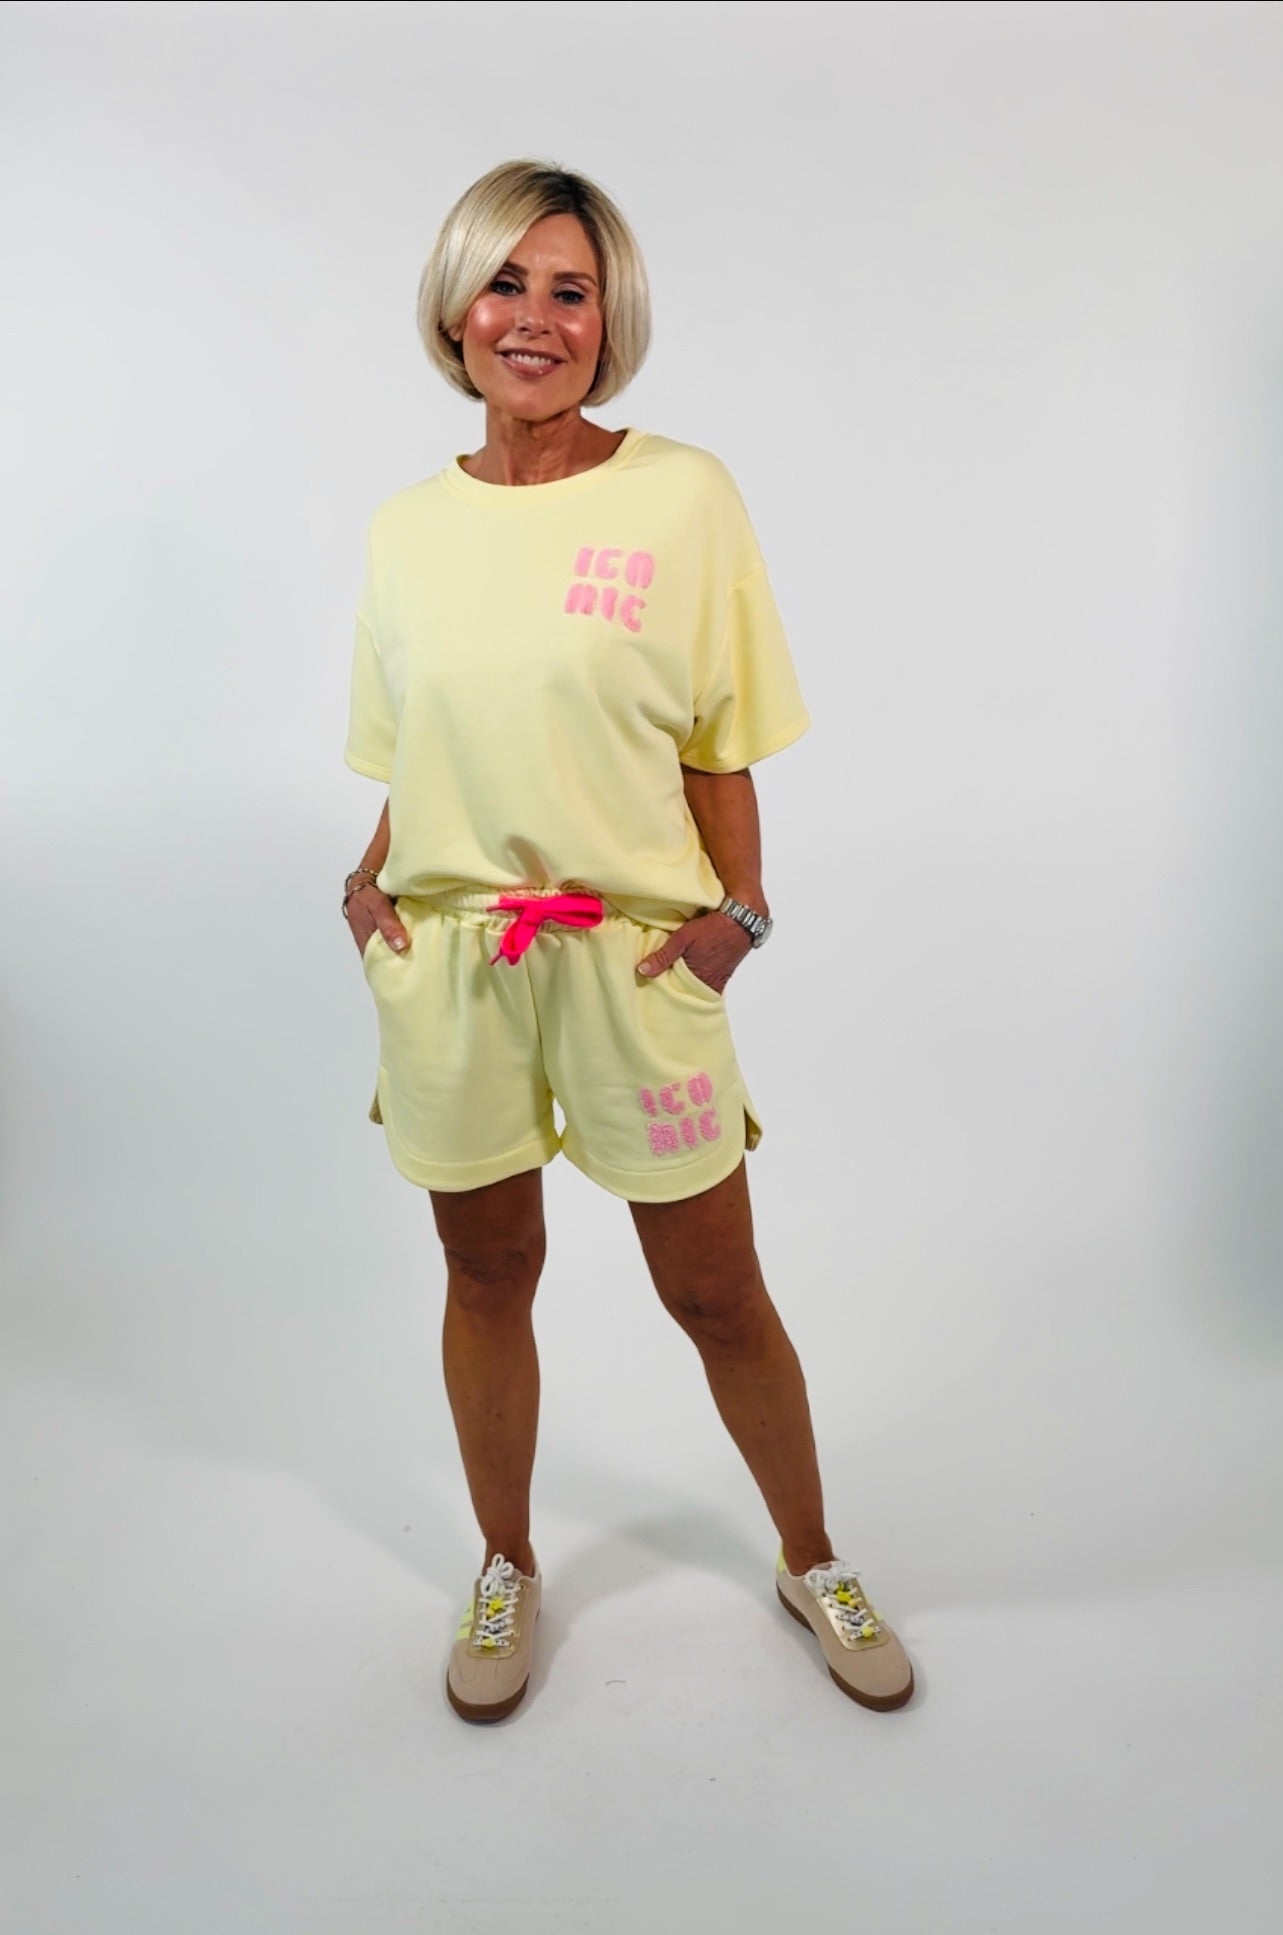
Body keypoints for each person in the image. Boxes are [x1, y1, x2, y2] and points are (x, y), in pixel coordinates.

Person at [341, 159, 914, 1721]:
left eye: (570, 290)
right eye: (504, 282)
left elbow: (719, 737)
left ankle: (810, 1557)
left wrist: (739, 917)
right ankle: (504, 1562)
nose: (533, 318)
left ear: (611, 321)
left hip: (636, 957)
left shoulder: (680, 495)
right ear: (453, 308)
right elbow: (419, 751)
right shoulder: (405, 529)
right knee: (486, 1269)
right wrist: (368, 887)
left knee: (713, 1288)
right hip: (455, 959)